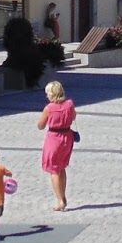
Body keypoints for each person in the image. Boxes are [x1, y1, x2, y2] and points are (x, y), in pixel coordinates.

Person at [36, 80, 77, 211]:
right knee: (62, 167)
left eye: (47, 93)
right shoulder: (69, 104)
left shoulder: (49, 108)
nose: (47, 96)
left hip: (54, 139)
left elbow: (40, 126)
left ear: (52, 94)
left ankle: (60, 200)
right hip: (67, 138)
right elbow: (74, 117)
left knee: (53, 170)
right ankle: (63, 196)